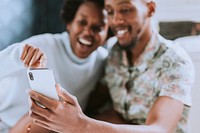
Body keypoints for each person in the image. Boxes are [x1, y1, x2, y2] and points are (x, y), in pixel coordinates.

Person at [27, 0, 195, 133]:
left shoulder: (175, 62)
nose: (115, 21)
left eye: (126, 9)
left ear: (150, 9)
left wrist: (80, 125)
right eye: (110, 11)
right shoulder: (115, 54)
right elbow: (98, 104)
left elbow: (159, 130)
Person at [0, 0, 115, 132]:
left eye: (97, 28)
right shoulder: (43, 45)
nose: (88, 32)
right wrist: (16, 56)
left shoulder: (103, 61)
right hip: (7, 124)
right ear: (69, 23)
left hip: (51, 127)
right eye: (82, 23)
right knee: (47, 112)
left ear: (107, 34)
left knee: (55, 113)